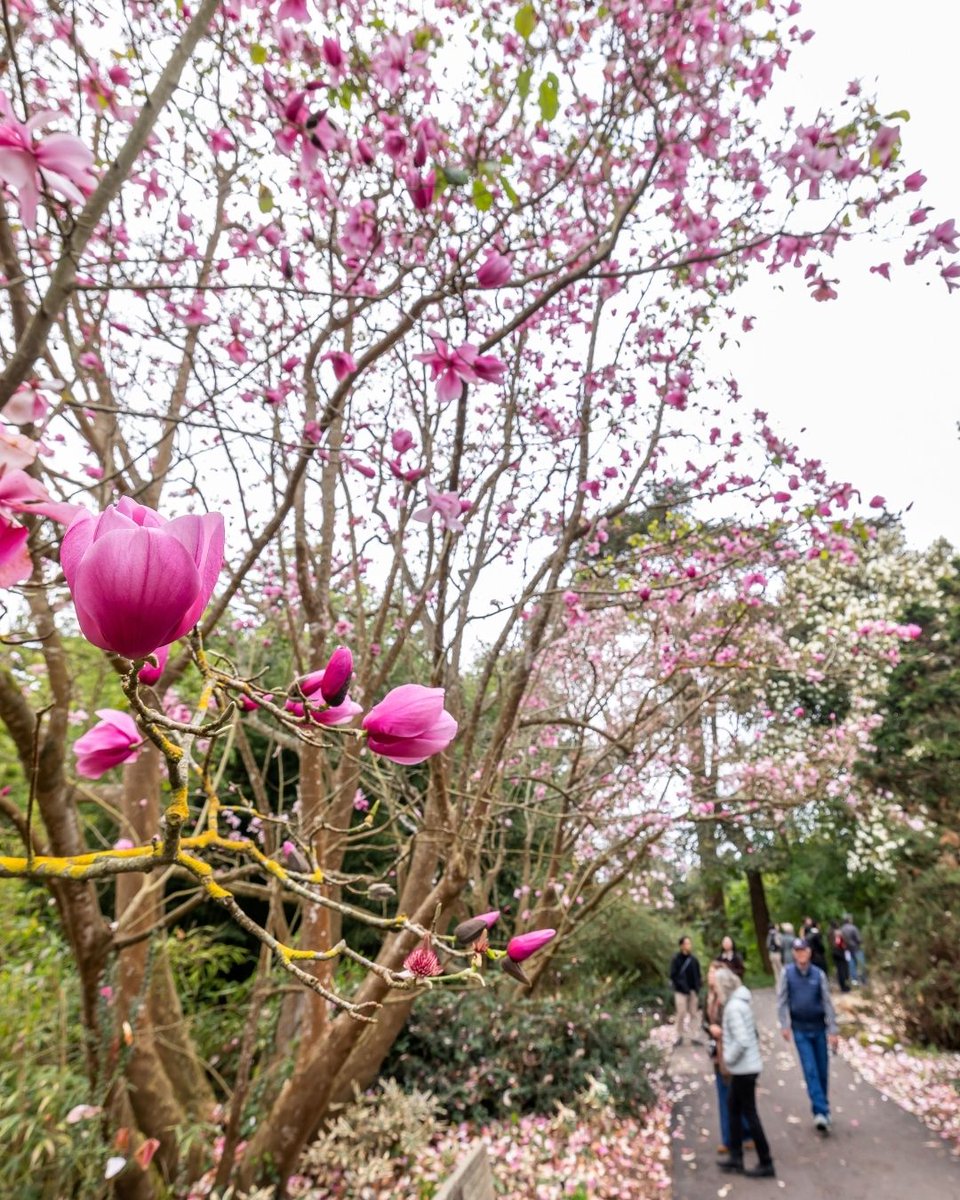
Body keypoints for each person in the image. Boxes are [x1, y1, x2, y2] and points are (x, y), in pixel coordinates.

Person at [711, 966, 776, 1178]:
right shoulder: (740, 1003)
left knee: (748, 1112)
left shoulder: (733, 1008)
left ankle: (765, 1161)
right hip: (747, 1067)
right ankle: (736, 1157)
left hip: (743, 1069)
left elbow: (741, 1039)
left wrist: (728, 1059)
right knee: (734, 1108)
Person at [777, 937, 839, 1133]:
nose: (801, 954)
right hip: (800, 1029)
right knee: (810, 1069)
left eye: (803, 950)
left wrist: (833, 1030)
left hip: (819, 1028)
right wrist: (785, 1025)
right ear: (794, 954)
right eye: (797, 951)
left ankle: (822, 1107)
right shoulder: (787, 973)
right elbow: (782, 1001)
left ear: (809, 952)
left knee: (822, 1070)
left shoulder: (818, 974)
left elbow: (827, 1002)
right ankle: (821, 1112)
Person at [704, 960, 753, 1154]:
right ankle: (728, 1138)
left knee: (737, 1094)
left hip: (732, 1052)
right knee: (724, 1095)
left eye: (713, 973)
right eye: (708, 973)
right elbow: (705, 1022)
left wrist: (721, 1032)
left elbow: (740, 1029)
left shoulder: (731, 1002)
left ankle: (746, 1133)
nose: (709, 977)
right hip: (718, 1053)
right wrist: (710, 1029)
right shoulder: (708, 998)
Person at [669, 935, 702, 1045]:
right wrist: (681, 985)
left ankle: (694, 1036)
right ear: (682, 945)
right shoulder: (676, 960)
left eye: (689, 943)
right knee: (681, 1013)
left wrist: (697, 988)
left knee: (694, 1013)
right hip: (680, 991)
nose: (689, 945)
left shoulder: (693, 960)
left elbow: (698, 975)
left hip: (692, 990)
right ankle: (679, 1036)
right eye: (687, 943)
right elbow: (673, 975)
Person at [841, 913, 866, 985]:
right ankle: (863, 980)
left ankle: (854, 981)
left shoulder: (842, 929)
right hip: (856, 948)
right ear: (849, 920)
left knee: (851, 966)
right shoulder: (853, 928)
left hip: (847, 950)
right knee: (861, 964)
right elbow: (858, 939)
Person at [829, 921, 851, 993]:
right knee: (843, 970)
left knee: (839, 970)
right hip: (840, 952)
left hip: (835, 953)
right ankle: (845, 987)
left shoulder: (830, 932)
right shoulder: (838, 933)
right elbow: (840, 943)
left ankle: (843, 986)